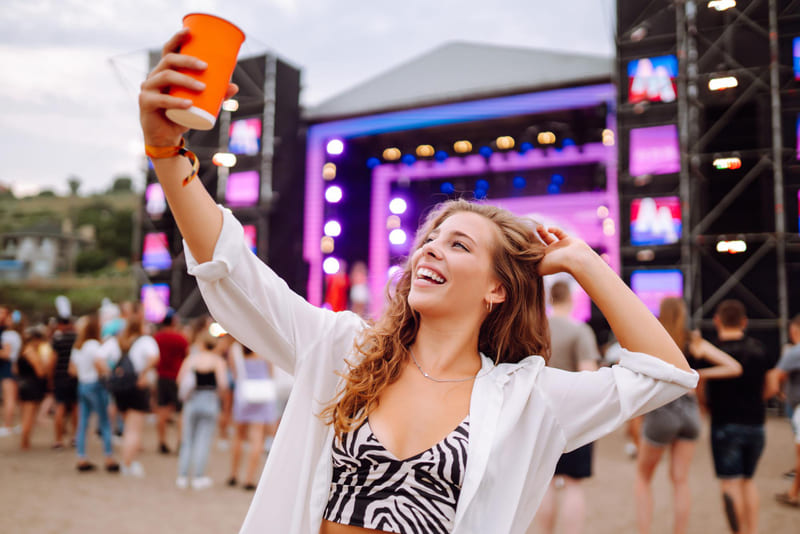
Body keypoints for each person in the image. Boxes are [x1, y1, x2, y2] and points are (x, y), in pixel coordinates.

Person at [140, 32, 697, 533]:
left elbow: (666, 373)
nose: (430, 248)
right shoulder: (341, 349)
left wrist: (584, 262)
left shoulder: (527, 397)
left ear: (496, 289)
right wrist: (167, 153)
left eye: (459, 244)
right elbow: (232, 267)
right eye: (430, 239)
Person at [634, 297, 743, 534]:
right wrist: (697, 375)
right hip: (690, 413)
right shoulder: (693, 340)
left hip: (662, 411)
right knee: (680, 480)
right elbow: (733, 366)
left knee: (643, 477)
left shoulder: (653, 339)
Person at [705, 299, 777, 534]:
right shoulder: (760, 348)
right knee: (748, 480)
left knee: (730, 482)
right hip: (756, 424)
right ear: (744, 322)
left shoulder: (712, 353)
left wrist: (707, 409)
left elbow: (699, 391)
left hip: (724, 423)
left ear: (717, 320)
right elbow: (772, 387)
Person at [535, 281, 600, 534]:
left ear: (551, 298)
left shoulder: (537, 329)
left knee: (545, 483)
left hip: (540, 415)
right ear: (571, 298)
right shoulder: (580, 330)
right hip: (574, 417)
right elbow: (588, 375)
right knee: (574, 484)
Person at [175, 328, 228, 489]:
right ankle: (198, 476)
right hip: (210, 400)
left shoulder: (192, 359)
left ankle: (182, 476)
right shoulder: (217, 361)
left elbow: (180, 380)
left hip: (192, 400)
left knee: (188, 439)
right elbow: (223, 384)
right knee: (203, 440)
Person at [69, 313, 119, 472]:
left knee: (83, 423)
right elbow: (100, 362)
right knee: (104, 421)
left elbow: (72, 370)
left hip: (83, 385)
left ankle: (81, 457)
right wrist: (109, 373)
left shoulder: (78, 347)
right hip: (95, 385)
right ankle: (109, 457)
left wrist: (85, 373)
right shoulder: (94, 345)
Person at [112, 306, 159, 477]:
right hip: (137, 388)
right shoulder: (146, 341)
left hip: (121, 388)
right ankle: (128, 463)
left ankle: (126, 460)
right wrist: (144, 374)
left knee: (127, 428)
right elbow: (154, 358)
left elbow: (102, 358)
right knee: (134, 429)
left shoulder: (120, 342)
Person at [227, 341, 278, 490]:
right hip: (262, 395)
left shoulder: (235, 348)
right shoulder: (264, 347)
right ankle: (249, 479)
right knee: (257, 437)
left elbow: (235, 373)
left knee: (239, 435)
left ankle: (233, 474)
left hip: (243, 395)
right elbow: (271, 372)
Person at [768, 314, 800, 507]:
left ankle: (793, 494)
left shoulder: (794, 352)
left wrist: (779, 394)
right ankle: (793, 492)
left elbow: (774, 376)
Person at [153, 308, 189, 454]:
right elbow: (186, 356)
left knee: (161, 410)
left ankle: (162, 442)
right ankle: (180, 442)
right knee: (181, 411)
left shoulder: (156, 338)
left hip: (162, 377)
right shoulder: (181, 338)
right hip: (177, 377)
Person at [51, 296, 78, 449]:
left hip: (60, 376)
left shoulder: (57, 339)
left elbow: (53, 360)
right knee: (75, 407)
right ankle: (74, 437)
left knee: (60, 407)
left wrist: (50, 376)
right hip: (74, 377)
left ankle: (58, 439)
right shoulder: (76, 338)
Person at [17, 327, 49, 449]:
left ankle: (25, 440)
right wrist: (45, 366)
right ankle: (25, 442)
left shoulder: (23, 351)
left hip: (25, 384)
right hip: (32, 386)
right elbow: (40, 372)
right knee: (29, 416)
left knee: (26, 415)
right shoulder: (31, 352)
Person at [0, 309, 23, 437]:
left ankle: (7, 425)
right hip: (13, 366)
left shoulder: (8, 335)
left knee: (8, 398)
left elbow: (6, 354)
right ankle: (11, 424)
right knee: (12, 398)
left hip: (7, 367)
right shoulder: (15, 334)